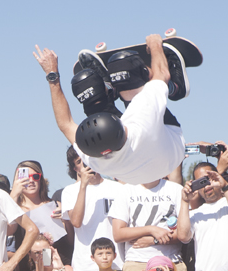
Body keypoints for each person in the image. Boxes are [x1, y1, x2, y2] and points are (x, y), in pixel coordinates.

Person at [34, 34, 187, 185]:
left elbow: (65, 123)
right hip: (172, 149)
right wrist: (155, 44)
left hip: (136, 176)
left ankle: (107, 87)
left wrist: (52, 76)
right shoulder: (143, 120)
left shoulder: (93, 157)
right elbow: (162, 74)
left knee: (84, 85)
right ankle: (175, 87)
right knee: (123, 64)